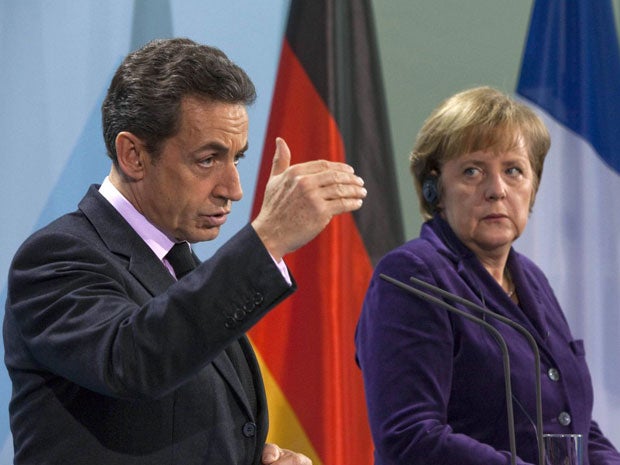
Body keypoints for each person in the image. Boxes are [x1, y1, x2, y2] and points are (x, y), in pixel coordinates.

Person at [3, 38, 367, 465]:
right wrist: (267, 239)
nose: (234, 189)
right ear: (133, 155)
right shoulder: (57, 256)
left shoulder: (184, 269)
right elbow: (134, 360)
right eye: (208, 159)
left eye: (237, 158)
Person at [355, 86, 620, 465]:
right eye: (472, 171)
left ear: (533, 188)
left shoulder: (531, 279)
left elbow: (574, 424)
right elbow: (410, 436)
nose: (497, 190)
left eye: (514, 171)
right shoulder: (412, 277)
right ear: (436, 191)